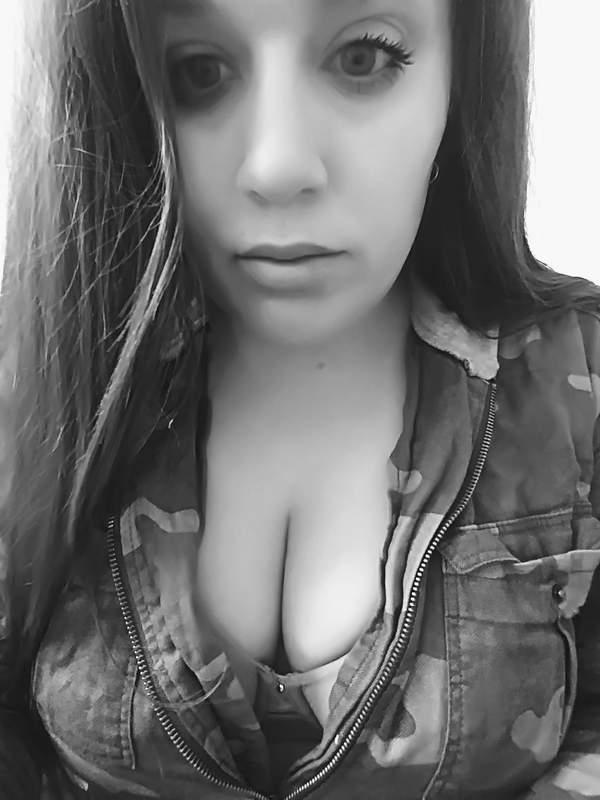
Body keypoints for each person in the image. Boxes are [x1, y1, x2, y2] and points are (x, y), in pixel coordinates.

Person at [1, 0, 600, 797]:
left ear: (465, 74)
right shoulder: (28, 385)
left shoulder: (576, 379)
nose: (278, 166)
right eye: (198, 72)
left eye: (363, 58)